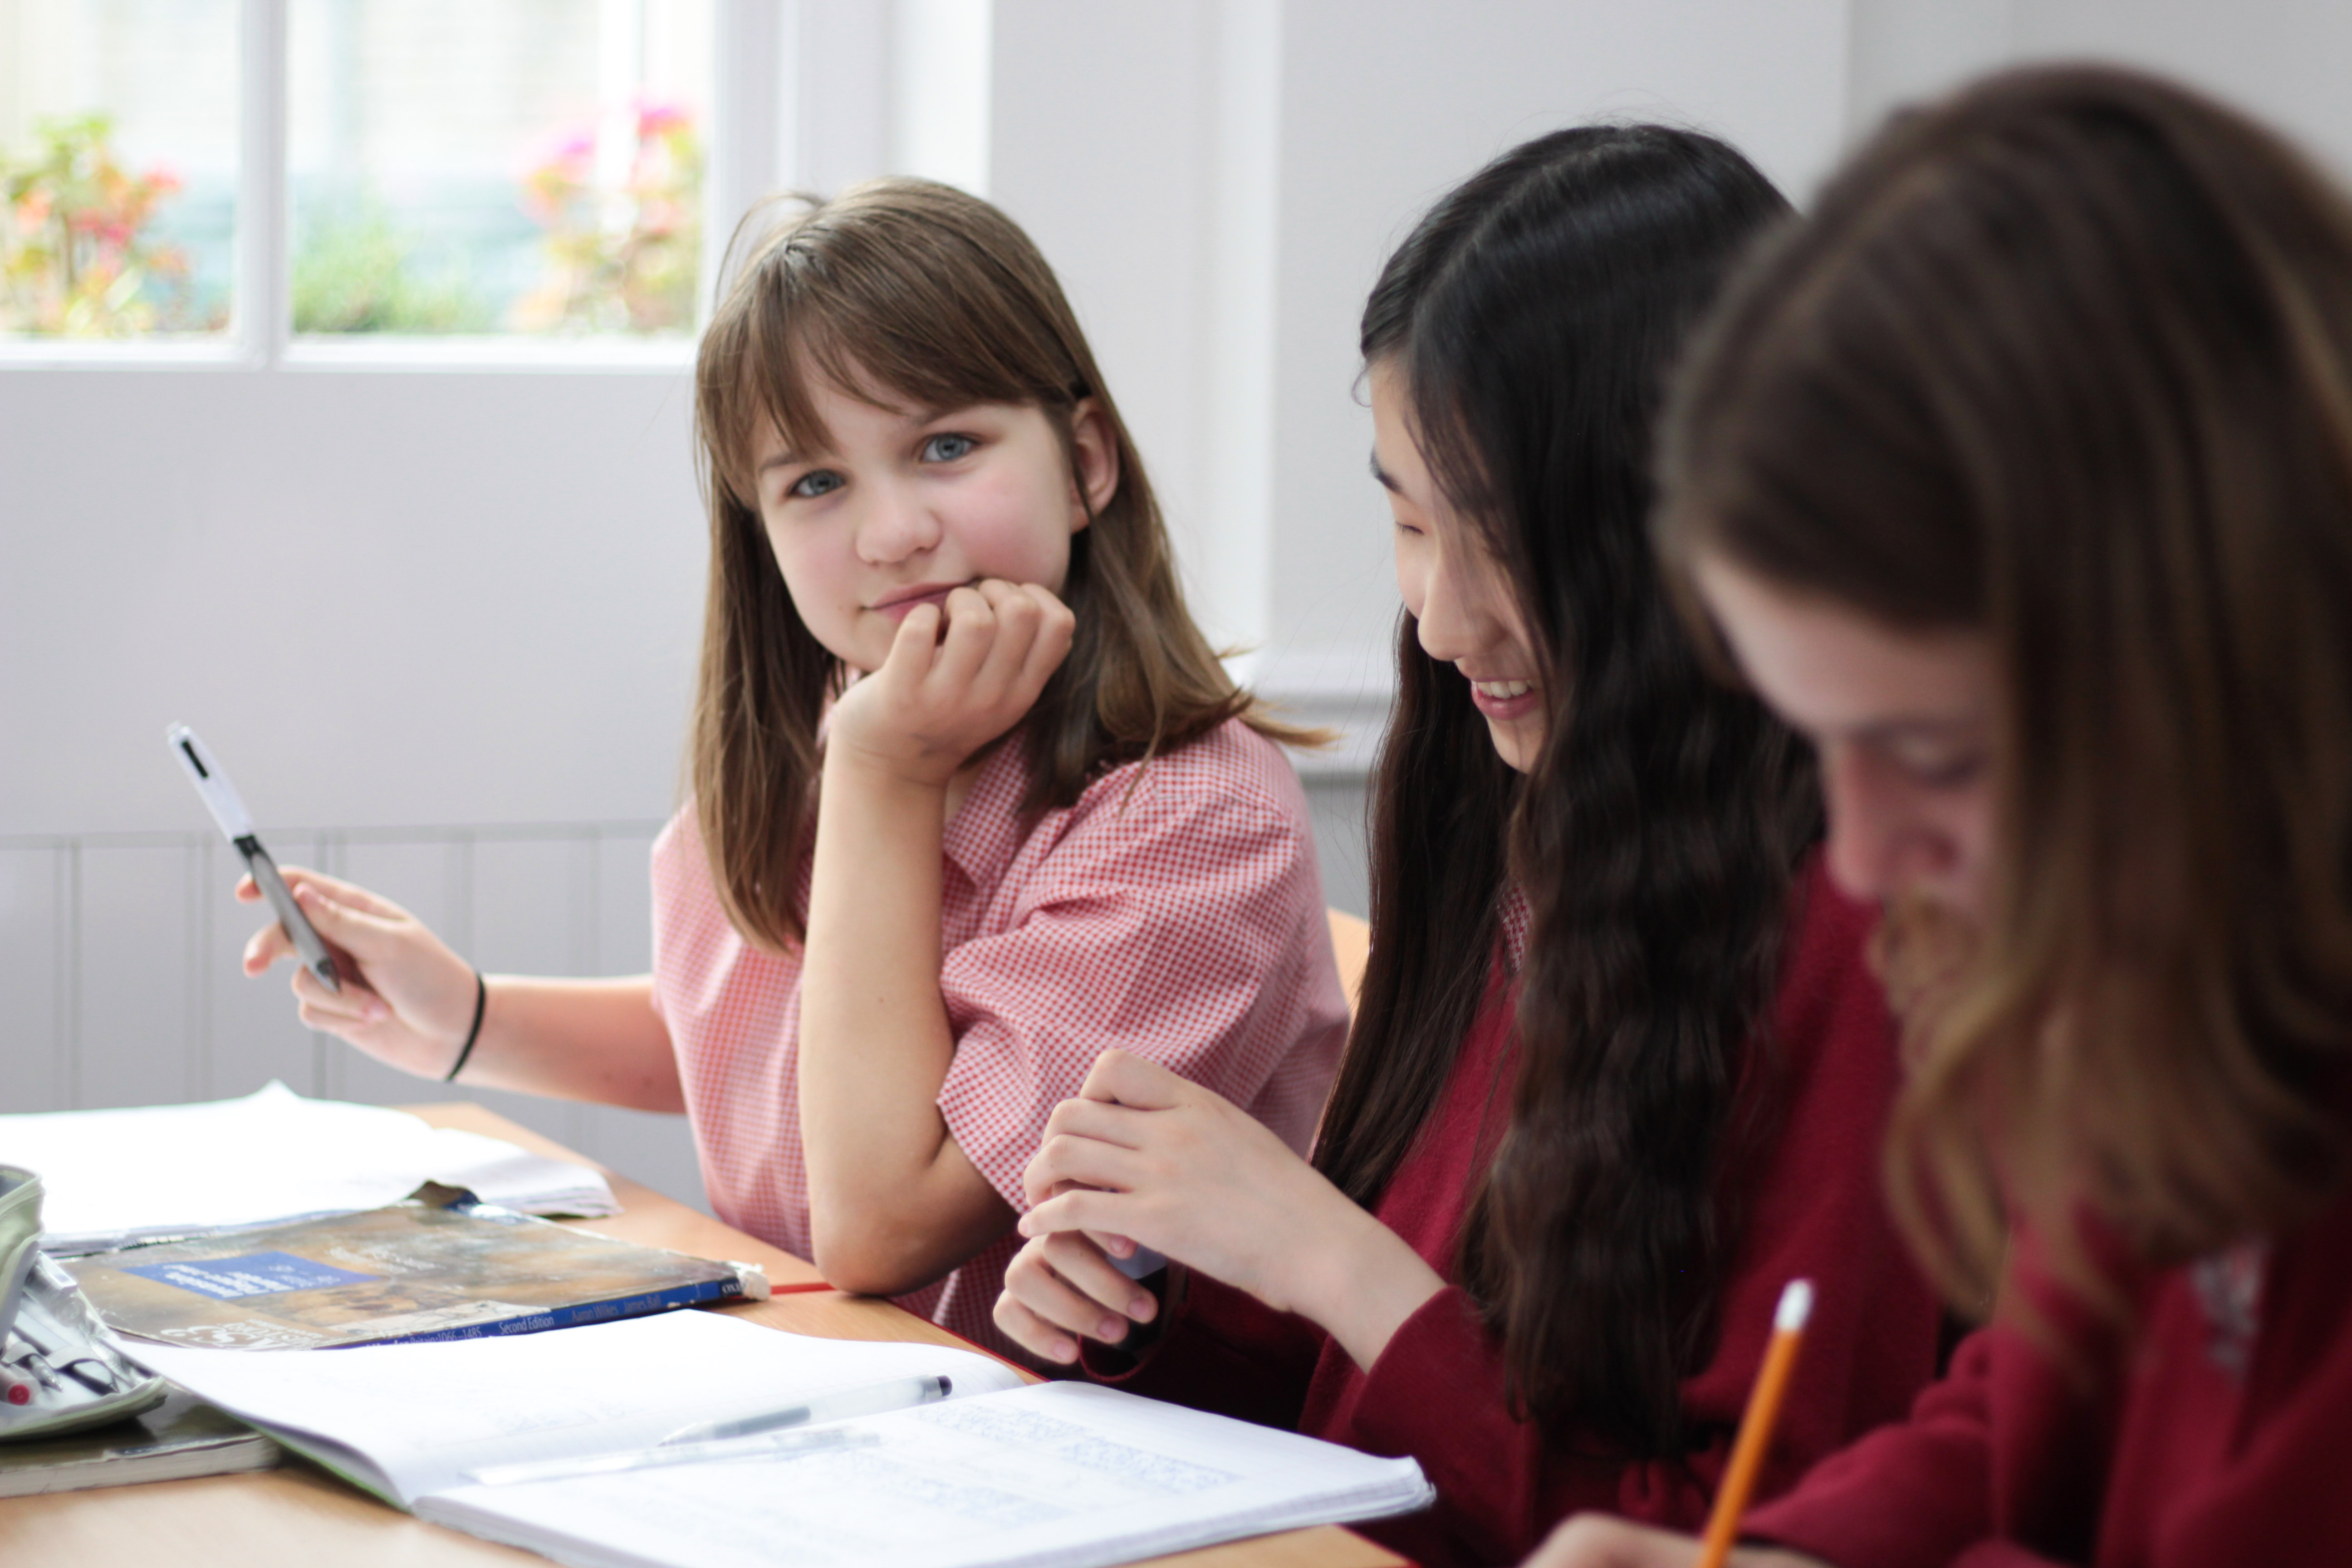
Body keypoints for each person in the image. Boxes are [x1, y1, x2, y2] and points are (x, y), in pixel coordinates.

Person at [991, 127, 1942, 1567]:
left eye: (1496, 534)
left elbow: (1723, 1532)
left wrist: (1327, 1255)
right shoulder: (1508, 808)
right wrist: (1145, 1309)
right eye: (1407, 519)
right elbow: (1363, 1413)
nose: (1437, 621)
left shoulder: (1862, 922)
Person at [237, 178, 1349, 1357]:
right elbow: (764, 1038)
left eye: (947, 446)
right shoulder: (837, 725)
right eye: (816, 483)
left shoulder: (1191, 813)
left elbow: (876, 1222)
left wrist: (884, 779)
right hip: (838, 1401)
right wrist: (467, 1019)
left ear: (1084, 463)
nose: (891, 533)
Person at [1530, 65, 2352, 1568]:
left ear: (2236, 665)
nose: (1862, 854)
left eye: (1941, 751)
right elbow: (2033, 1407)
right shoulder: (2149, 974)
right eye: (1825, 741)